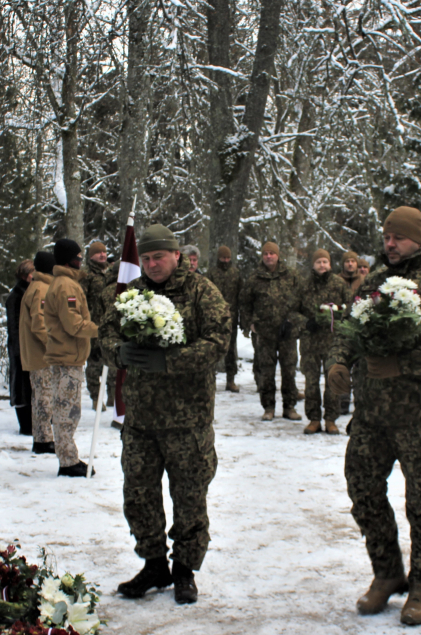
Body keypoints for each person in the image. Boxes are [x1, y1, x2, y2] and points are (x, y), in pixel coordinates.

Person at [326, 207, 421, 626]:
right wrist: (338, 363)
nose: (390, 243)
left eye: (399, 238)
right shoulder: (372, 283)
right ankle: (386, 572)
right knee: (364, 491)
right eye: (387, 236)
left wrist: (405, 364)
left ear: (419, 240)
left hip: (420, 418)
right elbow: (348, 331)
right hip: (372, 416)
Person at [100, 224, 230, 604]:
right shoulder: (132, 295)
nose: (152, 264)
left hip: (187, 420)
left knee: (189, 497)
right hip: (140, 420)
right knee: (138, 495)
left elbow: (218, 341)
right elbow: (106, 335)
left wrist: (170, 360)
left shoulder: (201, 292)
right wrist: (118, 353)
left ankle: (185, 570)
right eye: (146, 258)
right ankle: (154, 563)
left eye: (159, 256)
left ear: (177, 256)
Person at [44, 239, 98, 477]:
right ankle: (68, 461)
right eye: (77, 256)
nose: (80, 260)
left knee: (66, 408)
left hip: (67, 354)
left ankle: (68, 456)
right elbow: (73, 323)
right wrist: (98, 329)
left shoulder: (65, 283)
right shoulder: (66, 286)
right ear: (69, 258)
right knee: (67, 410)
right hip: (67, 356)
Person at [239, 242, 304, 421]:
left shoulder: (291, 276)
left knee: (289, 370)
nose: (269, 256)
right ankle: (268, 407)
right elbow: (245, 303)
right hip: (265, 333)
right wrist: (250, 323)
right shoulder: (254, 278)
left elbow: (302, 300)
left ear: (278, 255)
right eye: (266, 253)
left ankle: (289, 407)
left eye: (272, 253)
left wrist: (295, 320)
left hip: (287, 333)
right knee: (266, 371)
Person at [298, 249, 350, 434]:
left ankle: (330, 419)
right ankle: (313, 419)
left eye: (325, 262)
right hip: (310, 343)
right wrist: (306, 323)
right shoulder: (304, 285)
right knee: (311, 382)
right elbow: (292, 312)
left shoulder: (339, 284)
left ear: (330, 264)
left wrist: (340, 319)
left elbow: (350, 308)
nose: (322, 265)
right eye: (319, 262)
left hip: (333, 342)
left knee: (332, 381)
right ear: (313, 264)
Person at [24, 251, 57, 455]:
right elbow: (40, 324)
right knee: (44, 396)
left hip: (37, 353)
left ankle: (42, 437)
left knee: (40, 396)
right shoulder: (42, 289)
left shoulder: (36, 286)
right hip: (42, 354)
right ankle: (44, 439)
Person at [82, 240, 116, 409]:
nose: (102, 255)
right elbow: (82, 301)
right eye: (98, 252)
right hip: (93, 326)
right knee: (94, 364)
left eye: (104, 252)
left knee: (112, 362)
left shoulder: (111, 272)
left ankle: (113, 395)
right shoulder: (86, 275)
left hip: (110, 324)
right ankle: (96, 397)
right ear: (91, 256)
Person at [208, 245, 243, 392]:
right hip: (214, 318)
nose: (225, 260)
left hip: (231, 318)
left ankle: (231, 380)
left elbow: (241, 295)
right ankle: (211, 379)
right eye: (223, 258)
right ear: (218, 258)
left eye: (228, 258)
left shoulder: (236, 274)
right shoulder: (211, 274)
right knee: (212, 349)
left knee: (230, 350)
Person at [7, 259, 35, 434]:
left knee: (30, 386)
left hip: (28, 348)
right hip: (20, 349)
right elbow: (14, 326)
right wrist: (19, 351)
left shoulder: (30, 293)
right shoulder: (16, 296)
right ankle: (26, 425)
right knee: (22, 387)